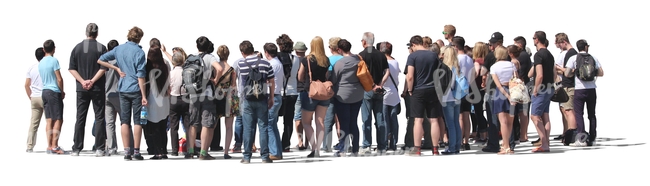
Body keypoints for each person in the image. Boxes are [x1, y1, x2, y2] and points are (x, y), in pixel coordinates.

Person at [98, 27, 148, 160]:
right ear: (139, 38)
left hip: (123, 89)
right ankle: (136, 151)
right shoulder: (139, 52)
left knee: (124, 121)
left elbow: (101, 59)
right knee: (138, 121)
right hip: (136, 89)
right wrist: (144, 95)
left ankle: (126, 152)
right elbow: (141, 76)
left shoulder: (118, 49)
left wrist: (115, 67)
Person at [69, 23, 109, 156]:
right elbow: (103, 68)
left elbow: (72, 68)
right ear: (97, 33)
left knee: (80, 117)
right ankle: (99, 148)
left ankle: (77, 148)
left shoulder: (77, 48)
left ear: (86, 32)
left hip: (81, 89)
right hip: (97, 87)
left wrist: (82, 81)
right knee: (99, 117)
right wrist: (92, 81)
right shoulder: (101, 48)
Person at [235, 40, 276, 164]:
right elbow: (272, 81)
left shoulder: (241, 64)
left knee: (248, 128)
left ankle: (247, 157)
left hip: (247, 99)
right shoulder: (265, 63)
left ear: (243, 52)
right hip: (262, 98)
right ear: (253, 49)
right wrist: (272, 97)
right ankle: (265, 156)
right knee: (263, 127)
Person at [405, 35, 443, 156]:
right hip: (432, 89)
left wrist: (410, 90)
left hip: (418, 90)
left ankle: (417, 149)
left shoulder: (413, 56)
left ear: (414, 44)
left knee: (418, 120)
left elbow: (410, 76)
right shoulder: (433, 55)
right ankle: (435, 149)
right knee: (434, 120)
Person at [564, 39, 604, 147]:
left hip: (579, 89)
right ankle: (592, 138)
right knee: (592, 114)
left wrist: (574, 71)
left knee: (579, 114)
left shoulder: (573, 58)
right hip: (591, 89)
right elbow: (601, 73)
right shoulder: (593, 57)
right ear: (586, 47)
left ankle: (581, 139)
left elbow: (567, 74)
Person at [297, 36, 330, 158]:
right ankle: (319, 150)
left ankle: (314, 148)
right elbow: (327, 75)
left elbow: (300, 77)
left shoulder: (307, 59)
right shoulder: (326, 60)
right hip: (324, 94)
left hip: (310, 92)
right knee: (320, 122)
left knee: (306, 123)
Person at [330, 39, 365, 156]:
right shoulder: (358, 59)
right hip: (358, 94)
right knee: (353, 122)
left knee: (344, 122)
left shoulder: (340, 63)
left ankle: (343, 149)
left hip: (342, 95)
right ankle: (355, 149)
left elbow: (334, 79)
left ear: (339, 49)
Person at [358, 32, 390, 154]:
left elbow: (360, 74)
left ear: (365, 42)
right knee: (380, 118)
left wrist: (371, 86)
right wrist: (379, 85)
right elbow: (387, 72)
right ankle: (382, 146)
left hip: (366, 90)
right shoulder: (381, 55)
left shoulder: (360, 56)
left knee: (366, 119)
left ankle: (366, 145)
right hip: (378, 90)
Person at [529, 31, 556, 153]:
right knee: (545, 116)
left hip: (542, 89)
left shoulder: (538, 55)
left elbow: (539, 75)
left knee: (534, 116)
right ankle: (546, 143)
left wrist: (535, 88)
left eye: (534, 38)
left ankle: (544, 143)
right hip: (549, 88)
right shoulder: (549, 54)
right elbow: (553, 72)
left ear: (537, 40)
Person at [143, 46, 170, 159]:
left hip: (152, 100)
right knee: (163, 127)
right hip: (164, 100)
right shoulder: (164, 66)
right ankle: (164, 151)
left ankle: (157, 151)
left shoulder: (147, 67)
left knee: (154, 128)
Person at [39, 40, 66, 155]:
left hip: (44, 91)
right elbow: (59, 78)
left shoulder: (41, 62)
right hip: (54, 91)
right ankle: (55, 145)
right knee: (58, 118)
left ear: (44, 49)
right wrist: (62, 91)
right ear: (54, 48)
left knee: (49, 119)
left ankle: (49, 145)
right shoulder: (54, 61)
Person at [489, 46, 517, 155]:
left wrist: (507, 95)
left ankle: (505, 146)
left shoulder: (494, 67)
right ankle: (508, 145)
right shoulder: (511, 65)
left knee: (503, 122)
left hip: (500, 93)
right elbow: (516, 79)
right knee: (510, 122)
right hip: (512, 90)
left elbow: (498, 85)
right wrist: (511, 96)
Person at [213, 45, 238, 159]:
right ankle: (226, 152)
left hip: (216, 97)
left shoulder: (215, 68)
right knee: (229, 127)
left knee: (211, 125)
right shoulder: (232, 70)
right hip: (228, 98)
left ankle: (206, 149)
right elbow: (233, 86)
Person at [379, 42, 401, 152]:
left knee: (384, 119)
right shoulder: (396, 62)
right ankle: (394, 143)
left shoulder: (382, 63)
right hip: (394, 94)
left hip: (384, 94)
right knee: (394, 119)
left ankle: (385, 142)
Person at [25, 47, 46, 153]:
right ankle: (51, 145)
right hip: (46, 96)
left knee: (33, 124)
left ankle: (29, 146)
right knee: (50, 122)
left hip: (35, 97)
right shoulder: (46, 66)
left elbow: (26, 85)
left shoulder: (31, 68)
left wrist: (31, 97)